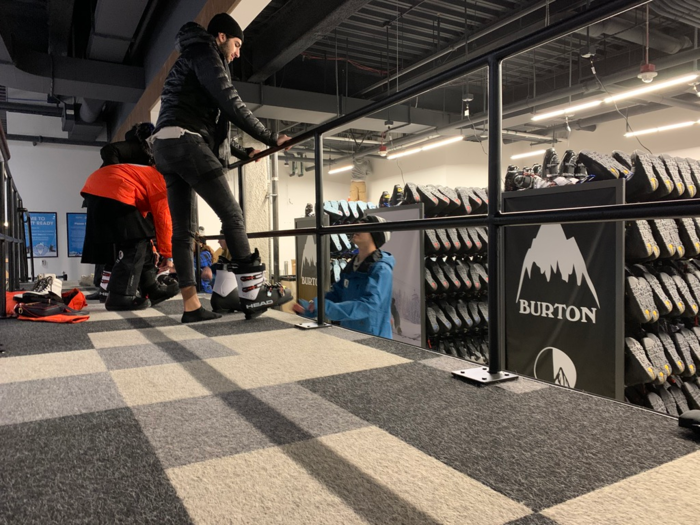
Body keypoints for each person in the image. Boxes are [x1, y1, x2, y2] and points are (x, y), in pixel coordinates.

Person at [151, 12, 293, 323]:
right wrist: (271, 137)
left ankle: (191, 307)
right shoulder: (205, 52)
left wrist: (243, 151)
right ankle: (253, 295)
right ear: (220, 37)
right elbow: (230, 101)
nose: (238, 52)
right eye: (237, 44)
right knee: (232, 214)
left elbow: (206, 119)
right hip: (186, 142)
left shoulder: (190, 55)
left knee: (184, 231)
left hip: (165, 144)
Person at [81, 163, 179, 310]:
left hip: (96, 189)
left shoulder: (143, 174)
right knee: (134, 244)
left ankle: (151, 288)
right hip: (115, 188)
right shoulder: (160, 180)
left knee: (140, 239)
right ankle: (120, 296)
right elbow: (163, 219)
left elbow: (142, 228)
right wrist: (168, 255)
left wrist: (152, 246)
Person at [293, 215, 395, 338]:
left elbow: (369, 305)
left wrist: (326, 308)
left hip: (373, 338)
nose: (356, 227)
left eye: (363, 225)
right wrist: (312, 308)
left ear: (375, 234)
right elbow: (337, 294)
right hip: (350, 333)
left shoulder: (381, 269)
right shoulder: (352, 265)